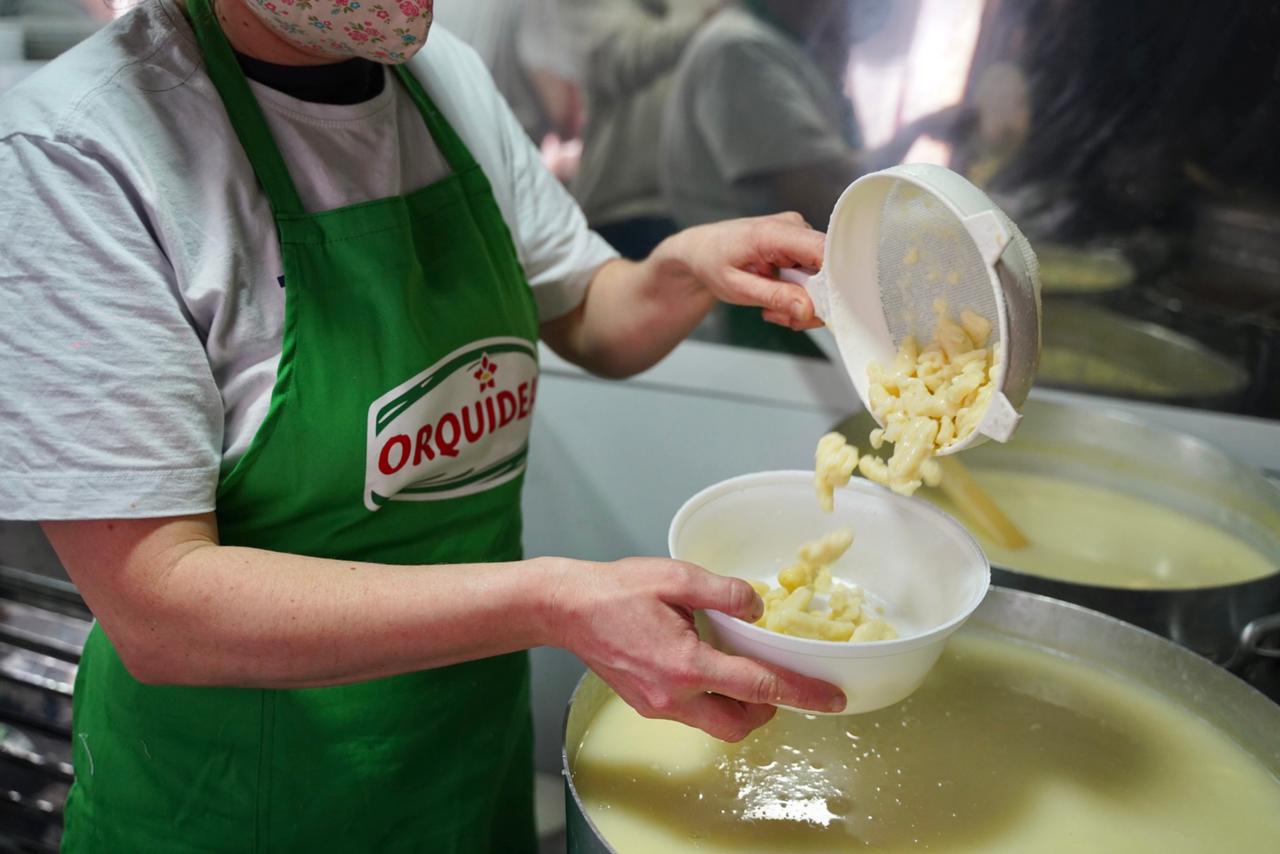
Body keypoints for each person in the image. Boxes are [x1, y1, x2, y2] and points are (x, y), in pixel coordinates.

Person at [0, 0, 843, 850]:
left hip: (461, 768)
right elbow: (160, 610)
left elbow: (588, 312)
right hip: (241, 800)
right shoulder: (78, 150)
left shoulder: (442, 82)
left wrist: (683, 270)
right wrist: (551, 603)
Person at [659, 0, 955, 229]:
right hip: (752, 279)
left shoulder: (781, 44)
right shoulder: (740, 48)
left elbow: (841, 173)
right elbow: (816, 201)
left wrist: (915, 131)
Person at [562, 0, 717, 258]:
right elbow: (624, 59)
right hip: (620, 209)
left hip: (694, 210)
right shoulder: (594, 9)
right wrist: (710, 22)